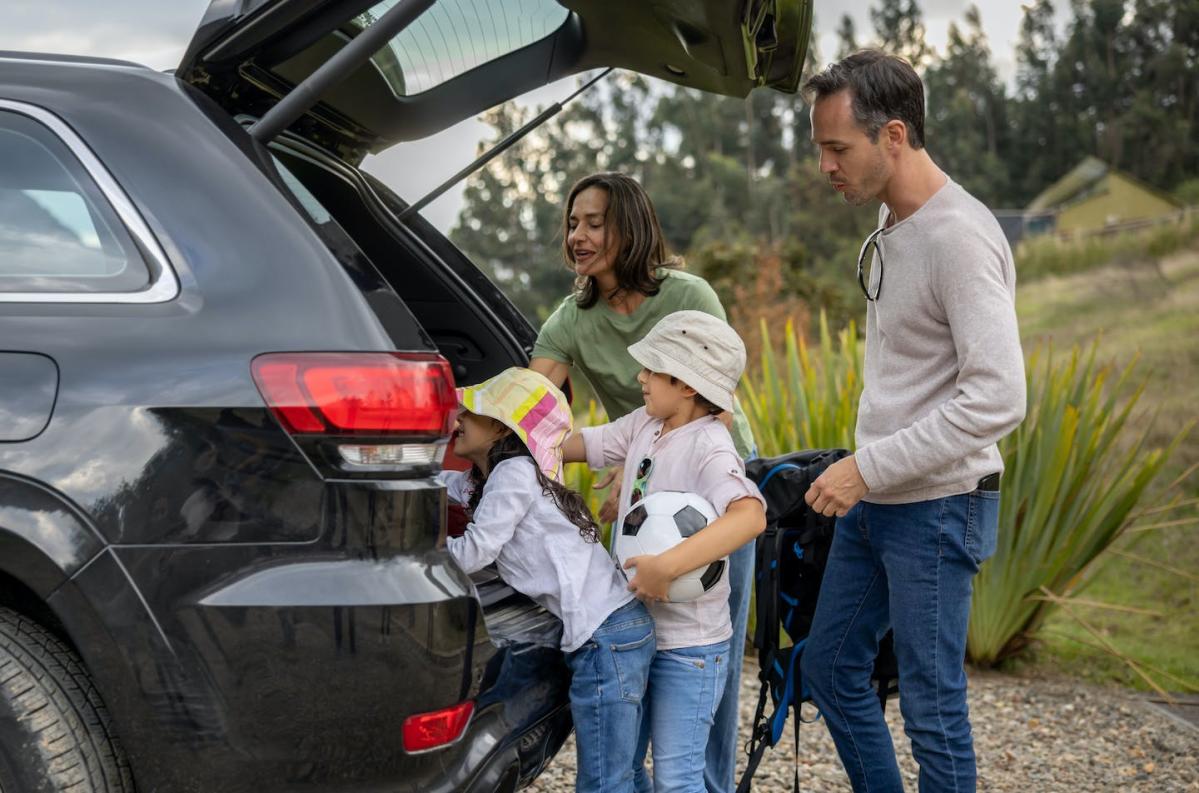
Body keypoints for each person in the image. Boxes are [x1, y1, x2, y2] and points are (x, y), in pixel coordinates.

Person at [799, 50, 1027, 792]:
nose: (826, 165)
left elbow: (997, 395)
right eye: (820, 148)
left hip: (938, 506)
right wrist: (868, 473)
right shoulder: (893, 219)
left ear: (892, 136)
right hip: (880, 500)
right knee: (829, 668)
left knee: (932, 710)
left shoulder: (958, 237)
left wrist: (866, 466)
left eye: (838, 148)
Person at [530, 173, 757, 792]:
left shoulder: (687, 296)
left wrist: (638, 484)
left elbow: (718, 408)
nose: (578, 235)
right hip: (642, 489)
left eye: (594, 222)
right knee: (639, 648)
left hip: (710, 497)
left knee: (704, 656)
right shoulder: (571, 319)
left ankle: (701, 784)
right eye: (573, 223)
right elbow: (540, 412)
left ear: (628, 228)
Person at [561, 310, 767, 793]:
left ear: (688, 385)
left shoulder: (711, 448)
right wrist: (518, 444)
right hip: (635, 637)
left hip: (691, 648)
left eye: (653, 369)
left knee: (677, 779)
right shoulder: (645, 425)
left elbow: (750, 516)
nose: (641, 377)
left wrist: (667, 567)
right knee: (627, 768)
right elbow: (585, 443)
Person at [439, 367, 655, 793]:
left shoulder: (513, 474)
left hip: (606, 636)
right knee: (621, 772)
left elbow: (475, 551)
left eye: (471, 412)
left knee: (603, 779)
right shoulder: (487, 480)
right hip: (612, 631)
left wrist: (420, 563)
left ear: (501, 427)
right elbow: (441, 484)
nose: (457, 417)